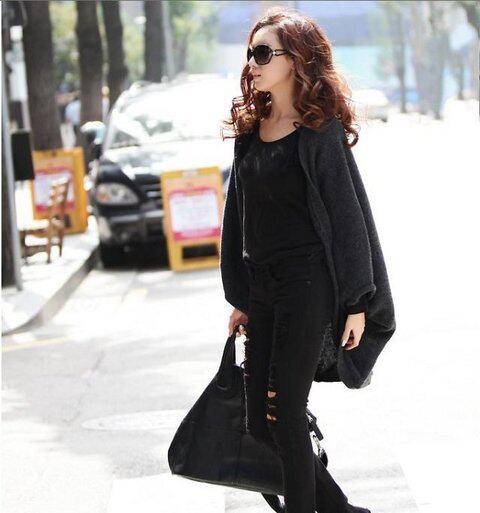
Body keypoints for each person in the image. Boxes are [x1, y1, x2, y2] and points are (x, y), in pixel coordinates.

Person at [219, 6, 396, 513]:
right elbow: (240, 219)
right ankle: (339, 509)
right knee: (260, 421)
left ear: (295, 60)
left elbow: (348, 219)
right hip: (264, 288)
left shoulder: (320, 132)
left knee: (288, 415)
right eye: (250, 53)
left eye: (263, 53)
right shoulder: (250, 131)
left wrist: (357, 301)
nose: (252, 63)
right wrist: (242, 297)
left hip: (308, 285)